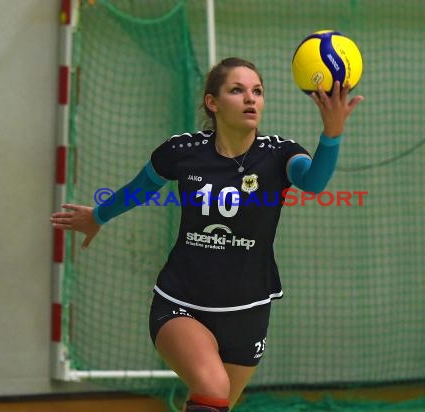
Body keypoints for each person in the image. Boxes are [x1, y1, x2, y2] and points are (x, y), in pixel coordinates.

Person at [50, 57, 363, 411]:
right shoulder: (183, 152)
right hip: (181, 303)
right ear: (212, 103)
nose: (250, 99)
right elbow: (141, 188)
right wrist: (99, 216)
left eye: (257, 91)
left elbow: (314, 181)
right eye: (237, 90)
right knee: (213, 387)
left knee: (213, 404)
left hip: (249, 308)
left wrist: (332, 134)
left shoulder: (279, 154)